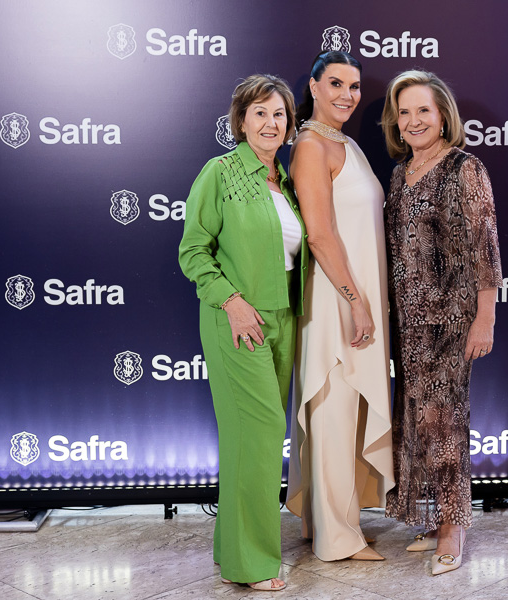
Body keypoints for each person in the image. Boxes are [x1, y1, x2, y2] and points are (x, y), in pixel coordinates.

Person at [179, 74, 306, 591]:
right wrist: (231, 302)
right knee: (258, 436)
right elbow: (193, 250)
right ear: (241, 120)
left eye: (279, 114)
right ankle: (252, 564)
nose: (270, 123)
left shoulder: (288, 181)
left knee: (250, 439)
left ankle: (230, 547)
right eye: (260, 113)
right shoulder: (221, 172)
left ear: (289, 123)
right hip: (237, 320)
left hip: (284, 319)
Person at [380, 70, 502, 576]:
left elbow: (485, 247)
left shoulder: (464, 168)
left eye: (423, 110)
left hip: (451, 320)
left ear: (443, 115)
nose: (413, 121)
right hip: (408, 324)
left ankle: (453, 528)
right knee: (417, 420)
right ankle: (433, 519)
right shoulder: (399, 174)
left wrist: (484, 318)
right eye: (404, 112)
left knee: (445, 421)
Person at [285, 51, 394, 562]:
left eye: (354, 86)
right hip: (336, 300)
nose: (347, 95)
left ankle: (326, 522)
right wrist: (356, 302)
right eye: (335, 83)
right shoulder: (310, 146)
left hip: (355, 297)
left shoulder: (344, 142)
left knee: (344, 412)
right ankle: (336, 537)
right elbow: (321, 236)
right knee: (333, 409)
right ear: (313, 86)